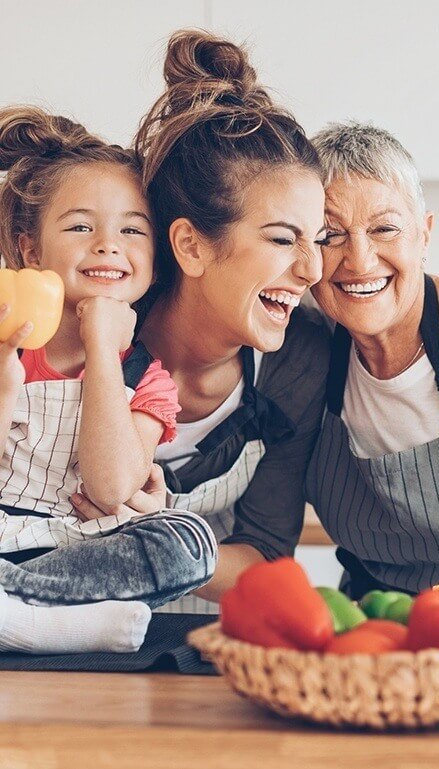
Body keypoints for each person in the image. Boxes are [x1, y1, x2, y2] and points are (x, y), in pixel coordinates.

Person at [0, 28, 329, 654]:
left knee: (187, 543)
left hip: (186, 642)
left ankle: (32, 610)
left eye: (318, 238)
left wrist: (151, 516)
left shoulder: (297, 362)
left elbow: (265, 560)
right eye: (284, 240)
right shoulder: (87, 319)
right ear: (190, 246)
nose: (313, 272)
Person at [0, 106, 217, 654]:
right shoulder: (7, 346)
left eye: (130, 228)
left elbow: (109, 488)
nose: (106, 243)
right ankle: (42, 624)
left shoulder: (149, 381)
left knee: (189, 543)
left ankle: (20, 609)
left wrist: (101, 349)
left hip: (76, 553)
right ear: (30, 249)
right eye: (79, 226)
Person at [305, 121, 439, 598]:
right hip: (370, 628)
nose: (360, 260)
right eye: (330, 235)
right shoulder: (307, 346)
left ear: (424, 236)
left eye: (384, 229)